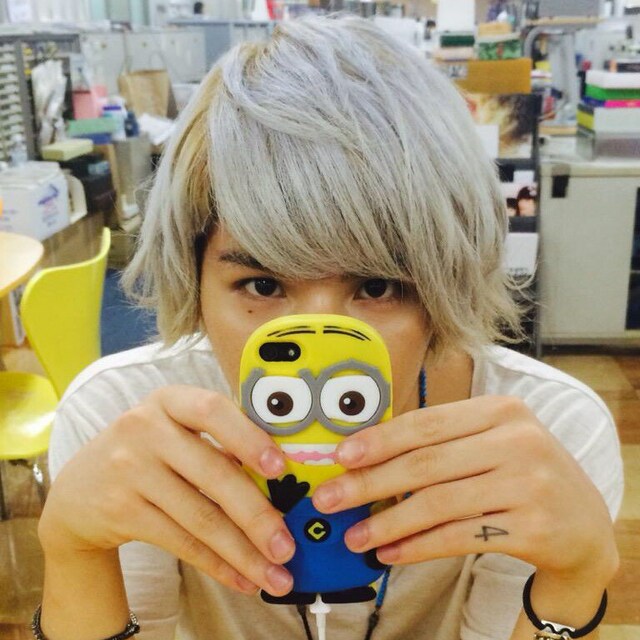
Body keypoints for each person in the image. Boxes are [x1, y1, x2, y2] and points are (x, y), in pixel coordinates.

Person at [38, 15, 622, 640]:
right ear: (195, 278)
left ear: (445, 280)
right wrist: (75, 552)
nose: (320, 342)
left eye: (377, 287)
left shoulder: (545, 436)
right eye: (263, 285)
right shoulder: (124, 420)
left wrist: (575, 577)